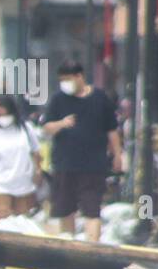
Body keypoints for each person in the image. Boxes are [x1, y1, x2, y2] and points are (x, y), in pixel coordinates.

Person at [42, 60, 123, 241]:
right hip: (65, 164)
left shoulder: (100, 98)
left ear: (80, 76)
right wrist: (62, 124)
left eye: (68, 79)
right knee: (65, 208)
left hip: (94, 164)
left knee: (92, 209)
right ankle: (68, 244)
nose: (65, 84)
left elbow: (112, 129)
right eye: (62, 80)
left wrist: (117, 154)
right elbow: (47, 127)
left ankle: (92, 247)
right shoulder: (58, 99)